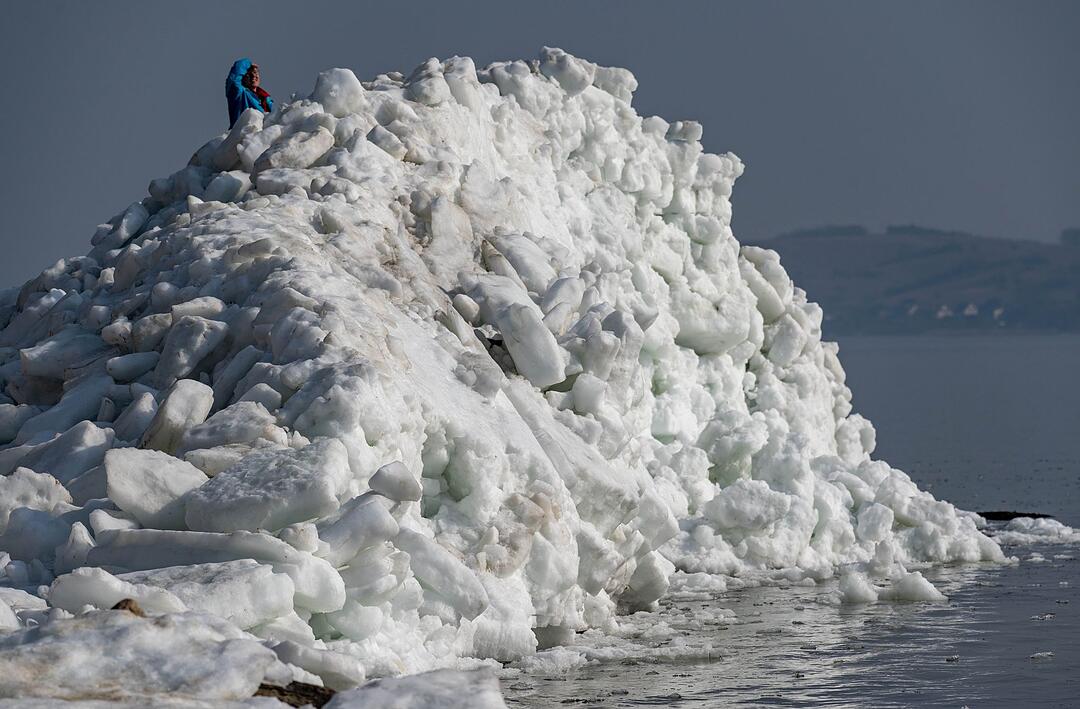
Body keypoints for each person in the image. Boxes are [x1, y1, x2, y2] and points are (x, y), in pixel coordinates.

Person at [226, 58, 273, 127]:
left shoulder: (265, 99)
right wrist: (247, 63)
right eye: (249, 74)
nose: (253, 76)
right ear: (242, 77)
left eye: (255, 72)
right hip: (243, 136)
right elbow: (233, 80)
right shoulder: (239, 94)